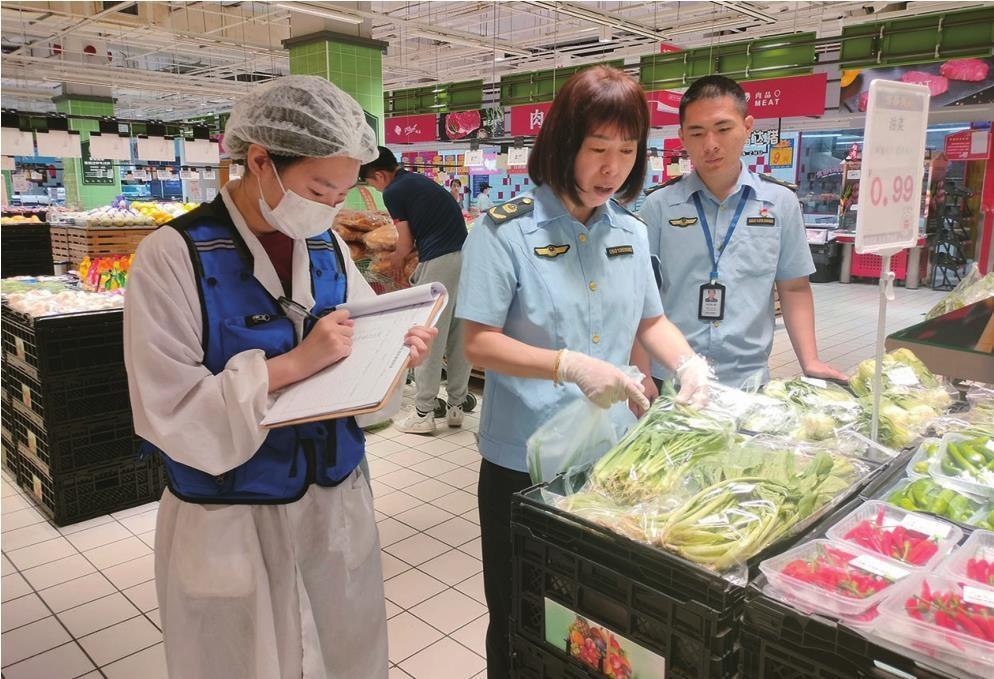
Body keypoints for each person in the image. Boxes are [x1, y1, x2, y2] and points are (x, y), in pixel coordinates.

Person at [123, 76, 437, 679]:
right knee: (242, 661)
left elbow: (360, 342)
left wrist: (396, 351)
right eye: (318, 189)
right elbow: (167, 407)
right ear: (260, 161)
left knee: (344, 654)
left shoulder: (325, 247)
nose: (328, 208)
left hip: (332, 502)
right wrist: (294, 364)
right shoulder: (174, 255)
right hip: (232, 514)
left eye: (342, 192)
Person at [456, 65, 710, 679]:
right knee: (519, 613)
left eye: (627, 150)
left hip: (610, 461)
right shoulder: (504, 232)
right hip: (524, 463)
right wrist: (565, 364)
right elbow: (478, 344)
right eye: (598, 149)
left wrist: (688, 364)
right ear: (564, 143)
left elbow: (652, 320)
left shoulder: (630, 230)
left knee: (595, 617)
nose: (612, 168)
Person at [639, 75, 845, 389]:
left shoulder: (779, 203)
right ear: (682, 136)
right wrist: (642, 373)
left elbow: (794, 288)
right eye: (697, 132)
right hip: (670, 375)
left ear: (747, 127)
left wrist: (810, 360)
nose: (710, 144)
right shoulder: (659, 206)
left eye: (723, 129)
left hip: (746, 380)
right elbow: (640, 296)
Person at [360, 147, 473, 434]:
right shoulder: (417, 181)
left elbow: (404, 242)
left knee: (428, 336)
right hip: (466, 257)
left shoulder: (393, 191)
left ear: (379, 175)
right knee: (459, 334)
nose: (374, 188)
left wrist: (393, 263)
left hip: (440, 261)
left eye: (371, 183)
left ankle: (424, 412)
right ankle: (456, 406)